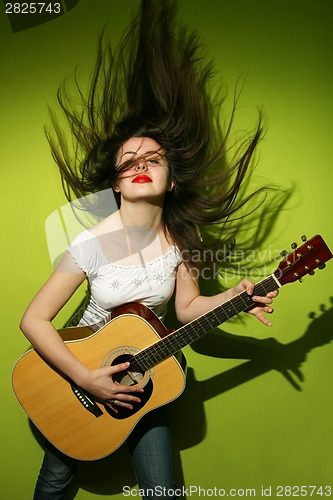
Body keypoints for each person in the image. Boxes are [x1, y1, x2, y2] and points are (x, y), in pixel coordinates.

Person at [20, 1, 278, 498]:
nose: (140, 164)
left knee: (164, 491)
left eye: (153, 159)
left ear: (172, 179)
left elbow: (187, 309)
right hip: (80, 382)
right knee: (55, 480)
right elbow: (34, 320)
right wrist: (88, 379)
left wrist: (241, 295)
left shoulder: (181, 242)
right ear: (116, 184)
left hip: (147, 373)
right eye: (128, 161)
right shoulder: (92, 243)